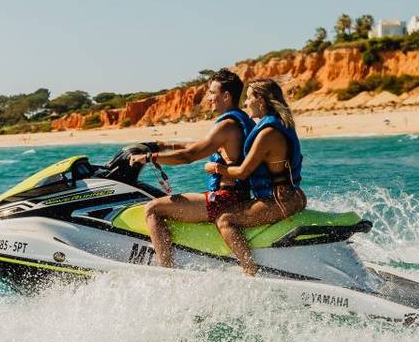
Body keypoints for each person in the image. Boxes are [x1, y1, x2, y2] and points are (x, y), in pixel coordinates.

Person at [128, 69, 254, 267]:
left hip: (226, 198)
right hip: (238, 193)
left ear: (226, 96)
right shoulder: (240, 120)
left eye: (213, 93)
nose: (209, 97)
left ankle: (166, 270)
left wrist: (149, 158)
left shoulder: (226, 126)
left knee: (153, 209)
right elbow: (195, 147)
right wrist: (165, 145)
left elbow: (189, 156)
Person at [205, 79, 306, 275]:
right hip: (290, 196)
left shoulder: (267, 133)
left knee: (225, 220)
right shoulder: (277, 124)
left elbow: (243, 171)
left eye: (249, 98)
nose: (245, 103)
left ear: (260, 100)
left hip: (280, 201)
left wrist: (217, 168)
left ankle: (250, 270)